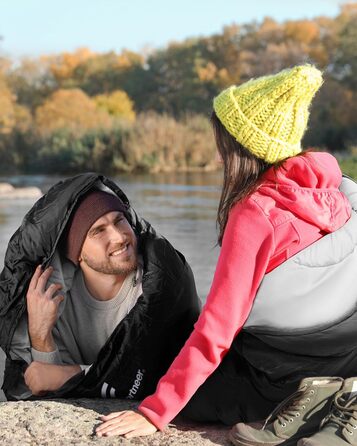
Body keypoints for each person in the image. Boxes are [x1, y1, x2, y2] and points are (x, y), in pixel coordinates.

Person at [95, 64, 357, 441]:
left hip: (281, 376)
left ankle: (310, 401)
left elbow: (217, 328)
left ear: (245, 148)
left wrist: (155, 412)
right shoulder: (334, 192)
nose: (219, 158)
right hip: (342, 354)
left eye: (225, 146)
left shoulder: (255, 213)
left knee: (171, 378)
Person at [0, 174, 200, 401]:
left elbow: (156, 374)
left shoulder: (159, 286)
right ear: (77, 254)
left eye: (119, 220)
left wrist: (74, 374)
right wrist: (40, 335)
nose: (118, 237)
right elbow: (46, 387)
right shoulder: (53, 302)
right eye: (98, 231)